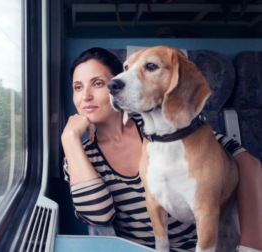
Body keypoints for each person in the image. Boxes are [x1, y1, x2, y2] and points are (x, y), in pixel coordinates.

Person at [61, 47, 262, 251]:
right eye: (77, 87)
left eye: (98, 84)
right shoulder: (79, 155)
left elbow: (245, 162)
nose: (85, 96)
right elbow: (98, 214)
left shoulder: (164, 125)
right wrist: (69, 138)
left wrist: (250, 246)